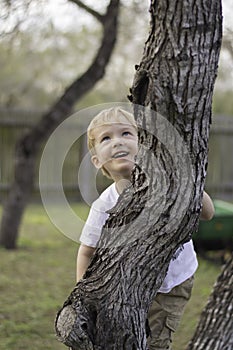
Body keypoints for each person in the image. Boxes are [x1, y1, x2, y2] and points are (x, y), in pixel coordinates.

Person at [76, 107, 215, 350]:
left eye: (127, 133)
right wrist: (83, 295)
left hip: (171, 283)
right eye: (106, 138)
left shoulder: (168, 183)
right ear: (97, 160)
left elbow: (207, 213)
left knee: (155, 342)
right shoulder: (104, 206)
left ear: (145, 145)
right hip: (128, 288)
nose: (117, 141)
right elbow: (87, 251)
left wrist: (187, 181)